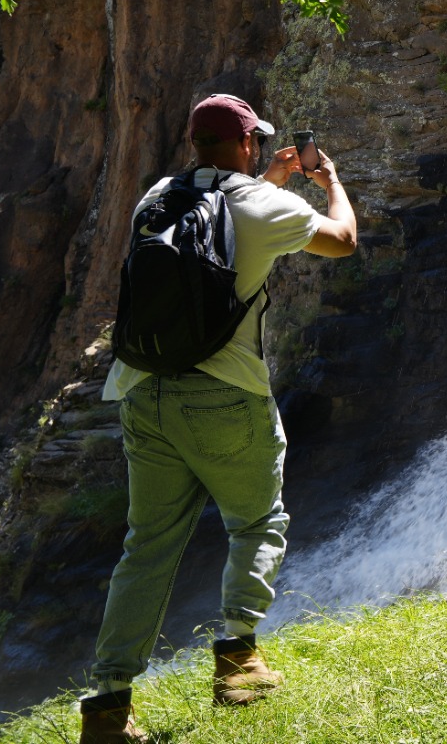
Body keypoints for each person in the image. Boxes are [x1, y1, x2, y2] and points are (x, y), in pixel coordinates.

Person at [79, 94, 357, 744]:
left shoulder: (155, 198)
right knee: (257, 521)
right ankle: (238, 660)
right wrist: (330, 183)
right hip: (224, 394)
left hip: (142, 392)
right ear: (246, 144)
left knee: (146, 549)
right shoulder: (264, 206)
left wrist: (273, 183)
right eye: (254, 142)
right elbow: (341, 242)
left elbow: (221, 213)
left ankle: (107, 709)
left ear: (194, 143)